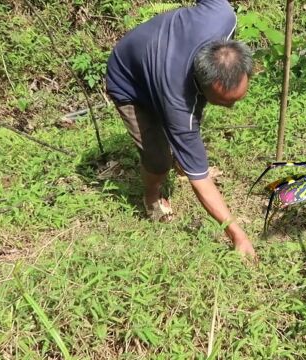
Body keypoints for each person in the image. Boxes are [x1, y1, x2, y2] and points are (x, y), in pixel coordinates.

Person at [105, 0, 257, 259]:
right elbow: (201, 181)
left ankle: (183, 160)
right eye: (224, 102)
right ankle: (151, 198)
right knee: (158, 158)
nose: (230, 109)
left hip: (155, 56)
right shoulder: (179, 103)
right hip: (128, 78)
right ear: (200, 85)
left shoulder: (222, 15)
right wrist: (237, 235)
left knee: (181, 138)